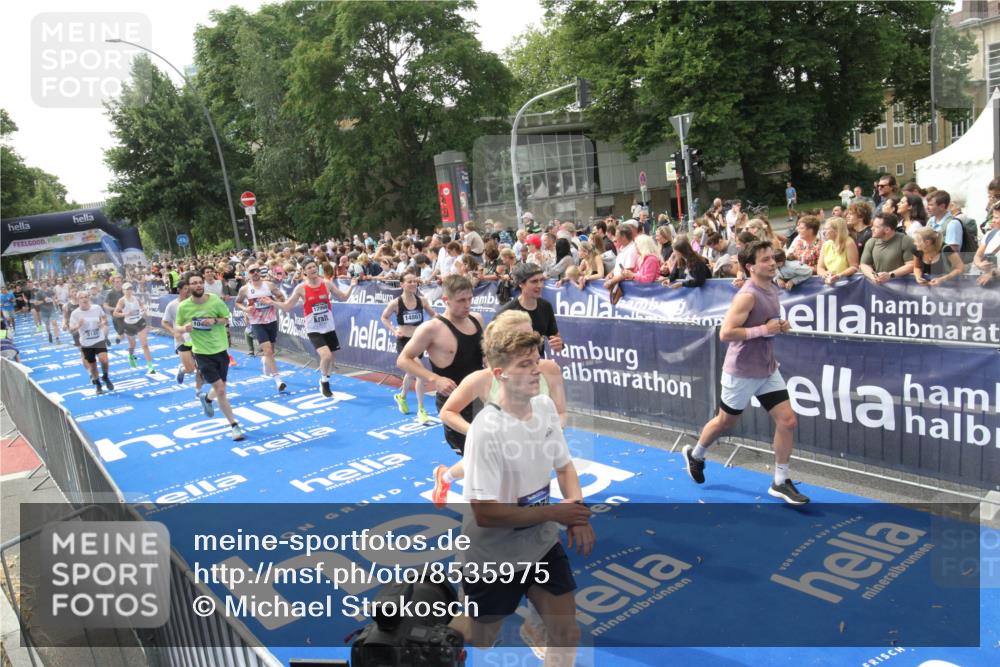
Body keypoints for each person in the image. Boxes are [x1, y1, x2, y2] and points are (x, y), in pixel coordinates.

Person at [449, 326, 593, 667]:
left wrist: (577, 512)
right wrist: (557, 515)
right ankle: (420, 629)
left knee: (567, 633)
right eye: (525, 364)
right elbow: (487, 515)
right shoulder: (485, 430)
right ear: (500, 374)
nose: (536, 369)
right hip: (490, 556)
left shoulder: (543, 407)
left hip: (541, 544)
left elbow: (565, 467)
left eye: (537, 360)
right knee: (481, 639)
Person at [682, 240, 807, 504]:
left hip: (767, 368)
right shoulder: (747, 295)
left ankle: (780, 480)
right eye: (765, 260)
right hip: (741, 371)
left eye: (772, 258)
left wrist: (779, 325)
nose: (772, 263)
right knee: (726, 422)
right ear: (750, 267)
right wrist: (765, 330)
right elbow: (727, 333)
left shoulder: (772, 288)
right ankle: (696, 454)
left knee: (788, 421)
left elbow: (766, 322)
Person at [431, 309, 569, 508]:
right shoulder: (481, 379)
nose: (529, 342)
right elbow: (448, 412)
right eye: (520, 337)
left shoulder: (549, 369)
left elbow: (561, 412)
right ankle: (445, 477)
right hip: (503, 445)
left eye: (530, 335)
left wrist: (553, 430)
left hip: (537, 440)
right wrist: (478, 434)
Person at [397, 275, 485, 456]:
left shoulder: (477, 319)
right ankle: (446, 477)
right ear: (446, 300)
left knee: (488, 455)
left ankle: (448, 477)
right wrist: (434, 379)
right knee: (471, 456)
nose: (467, 304)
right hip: (454, 403)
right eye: (461, 300)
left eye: (470, 299)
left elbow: (482, 354)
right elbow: (404, 359)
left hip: (481, 397)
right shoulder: (432, 328)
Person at [176, 274, 245, 441]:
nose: (198, 285)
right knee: (221, 389)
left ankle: (206, 399)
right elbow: (176, 327)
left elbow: (226, 319)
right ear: (188, 287)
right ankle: (234, 425)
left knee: (220, 387)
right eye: (194, 283)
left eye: (200, 282)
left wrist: (214, 321)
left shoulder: (214, 300)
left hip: (221, 350)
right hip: (201, 353)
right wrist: (185, 328)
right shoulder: (184, 307)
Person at [277, 259, 357, 397]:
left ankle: (325, 378)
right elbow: (287, 306)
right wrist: (272, 302)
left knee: (331, 359)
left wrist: (352, 285)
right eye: (309, 267)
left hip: (328, 327)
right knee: (325, 355)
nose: (313, 269)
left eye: (314, 266)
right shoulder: (301, 288)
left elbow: (343, 297)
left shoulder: (326, 284)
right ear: (304, 271)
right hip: (314, 329)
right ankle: (324, 382)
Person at [379, 269, 436, 417]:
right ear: (402, 284)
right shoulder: (395, 303)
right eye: (409, 281)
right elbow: (384, 317)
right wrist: (393, 330)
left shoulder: (422, 301)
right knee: (420, 373)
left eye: (415, 281)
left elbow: (434, 315)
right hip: (404, 342)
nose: (413, 284)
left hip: (418, 341)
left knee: (411, 373)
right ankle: (421, 409)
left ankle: (402, 397)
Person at [235, 264, 287, 391]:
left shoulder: (268, 285)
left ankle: (265, 360)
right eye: (252, 271)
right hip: (257, 322)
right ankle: (278, 380)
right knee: (268, 350)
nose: (256, 272)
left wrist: (273, 302)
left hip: (271, 320)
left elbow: (281, 297)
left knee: (271, 350)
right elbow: (237, 302)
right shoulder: (245, 289)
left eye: (258, 270)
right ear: (248, 274)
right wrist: (246, 309)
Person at [498, 263, 563, 356]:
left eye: (542, 280)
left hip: (537, 364)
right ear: (521, 283)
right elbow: (494, 348)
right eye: (534, 281)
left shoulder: (546, 306)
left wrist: (559, 345)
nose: (540, 285)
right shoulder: (507, 312)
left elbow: (555, 338)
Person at [67, 289, 115, 394]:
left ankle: (105, 377)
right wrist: (78, 326)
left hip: (99, 339)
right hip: (86, 343)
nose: (84, 299)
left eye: (86, 297)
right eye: (81, 297)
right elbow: (70, 329)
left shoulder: (96, 308)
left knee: (104, 360)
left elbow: (104, 318)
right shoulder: (75, 313)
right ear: (78, 300)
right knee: (93, 366)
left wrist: (102, 323)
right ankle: (98, 384)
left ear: (89, 298)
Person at [160, 279, 202, 390]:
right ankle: (182, 370)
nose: (188, 291)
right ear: (179, 290)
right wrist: (174, 332)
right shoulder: (172, 305)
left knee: (200, 368)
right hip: (182, 340)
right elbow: (164, 322)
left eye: (189, 289)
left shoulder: (195, 302)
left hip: (196, 339)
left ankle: (199, 392)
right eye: (185, 289)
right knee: (190, 369)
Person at [112, 283, 157, 374]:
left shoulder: (136, 298)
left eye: (130, 289)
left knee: (145, 345)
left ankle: (150, 367)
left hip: (139, 322)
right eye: (127, 289)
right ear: (123, 291)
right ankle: (131, 356)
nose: (129, 291)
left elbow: (142, 307)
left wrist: (144, 310)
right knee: (132, 345)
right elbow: (115, 313)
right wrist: (125, 314)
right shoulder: (122, 300)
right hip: (129, 325)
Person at [859, 213, 915, 284]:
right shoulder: (871, 241)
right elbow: (864, 264)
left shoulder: (905, 240)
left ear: (887, 230)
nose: (872, 228)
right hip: (878, 286)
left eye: (876, 227)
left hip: (901, 286)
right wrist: (872, 275)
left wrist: (890, 275)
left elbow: (911, 265)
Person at [817, 216, 860, 284]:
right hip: (830, 282)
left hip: (847, 283)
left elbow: (854, 267)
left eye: (826, 229)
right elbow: (820, 268)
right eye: (823, 229)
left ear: (837, 230)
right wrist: (825, 274)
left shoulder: (849, 243)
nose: (824, 232)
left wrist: (839, 276)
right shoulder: (826, 244)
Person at [974, 201, 1000, 286]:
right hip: (989, 287)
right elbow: (978, 256)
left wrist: (992, 273)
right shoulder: (991, 234)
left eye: (996, 218)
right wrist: (979, 264)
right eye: (993, 217)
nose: (993, 220)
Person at [102, 275, 126, 345]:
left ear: (121, 282)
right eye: (116, 282)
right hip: (116, 316)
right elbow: (105, 305)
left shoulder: (125, 291)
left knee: (124, 332)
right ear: (113, 283)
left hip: (126, 315)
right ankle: (114, 339)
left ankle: (118, 338)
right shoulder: (110, 293)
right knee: (121, 333)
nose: (117, 283)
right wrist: (114, 308)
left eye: (119, 282)